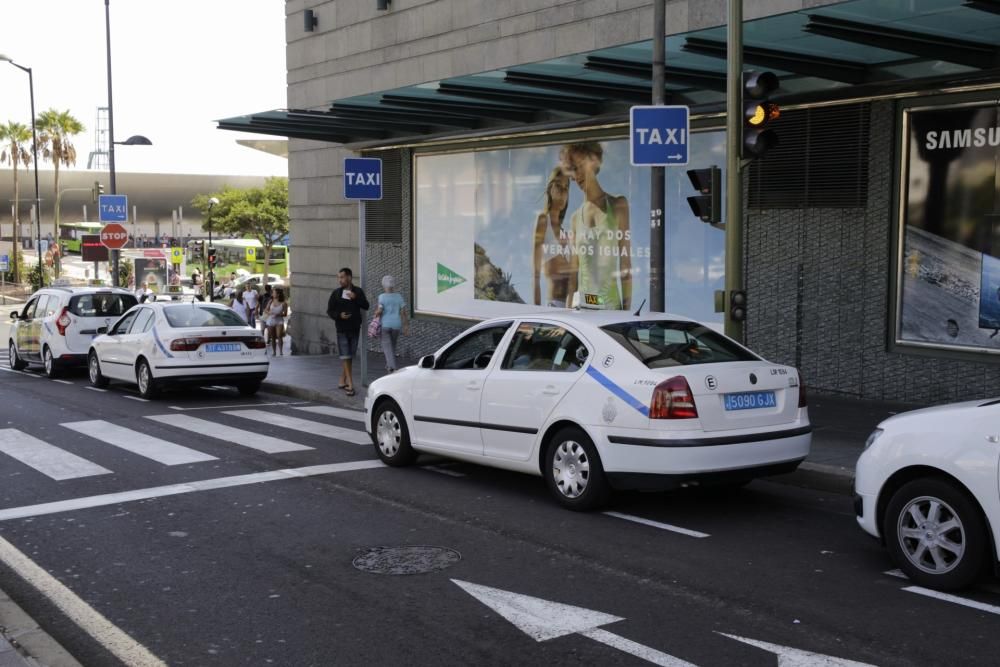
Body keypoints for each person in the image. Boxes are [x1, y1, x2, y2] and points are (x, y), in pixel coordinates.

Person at [560, 141, 632, 311]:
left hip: (612, 310)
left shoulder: (618, 205)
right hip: (583, 307)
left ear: (593, 163)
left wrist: (628, 313)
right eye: (573, 170)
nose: (576, 176)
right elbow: (573, 274)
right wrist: (567, 314)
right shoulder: (575, 217)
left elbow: (625, 263)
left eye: (580, 167)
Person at [532, 167, 572, 307]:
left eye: (566, 188)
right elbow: (535, 274)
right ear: (550, 188)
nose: (562, 192)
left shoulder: (565, 233)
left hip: (571, 307)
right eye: (558, 186)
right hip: (554, 306)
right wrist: (536, 311)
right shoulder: (543, 221)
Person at [327, 267, 369, 396]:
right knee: (345, 356)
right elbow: (329, 310)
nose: (340, 280)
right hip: (341, 329)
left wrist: (356, 297)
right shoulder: (336, 293)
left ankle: (342, 380)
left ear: (349, 277)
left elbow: (366, 305)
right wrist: (339, 315)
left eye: (342, 277)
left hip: (355, 328)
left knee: (350, 356)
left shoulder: (358, 291)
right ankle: (350, 384)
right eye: (339, 277)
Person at [374, 275, 408, 373]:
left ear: (383, 285)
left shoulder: (381, 297)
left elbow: (379, 310)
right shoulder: (399, 297)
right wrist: (406, 326)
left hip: (385, 325)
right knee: (392, 346)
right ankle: (388, 365)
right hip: (396, 325)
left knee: (387, 348)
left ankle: (392, 368)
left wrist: (376, 313)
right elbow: (403, 313)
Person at [266, 288, 289, 356]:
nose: (272, 294)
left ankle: (281, 351)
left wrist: (278, 314)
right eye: (272, 293)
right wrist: (270, 313)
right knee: (272, 337)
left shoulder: (284, 303)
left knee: (279, 335)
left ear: (278, 294)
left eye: (274, 293)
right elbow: (266, 310)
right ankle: (274, 352)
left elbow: (285, 314)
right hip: (271, 321)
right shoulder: (271, 301)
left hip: (279, 321)